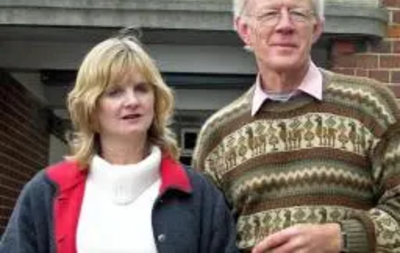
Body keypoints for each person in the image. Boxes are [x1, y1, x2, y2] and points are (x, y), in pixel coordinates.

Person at [193, 0, 400, 253]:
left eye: (298, 13)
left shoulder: (369, 107)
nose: (285, 25)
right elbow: (208, 242)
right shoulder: (217, 135)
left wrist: (341, 237)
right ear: (244, 29)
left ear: (316, 28)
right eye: (269, 14)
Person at [0, 33, 238, 253]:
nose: (132, 101)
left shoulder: (198, 194)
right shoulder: (45, 191)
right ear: (91, 107)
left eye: (142, 89)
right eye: (114, 92)